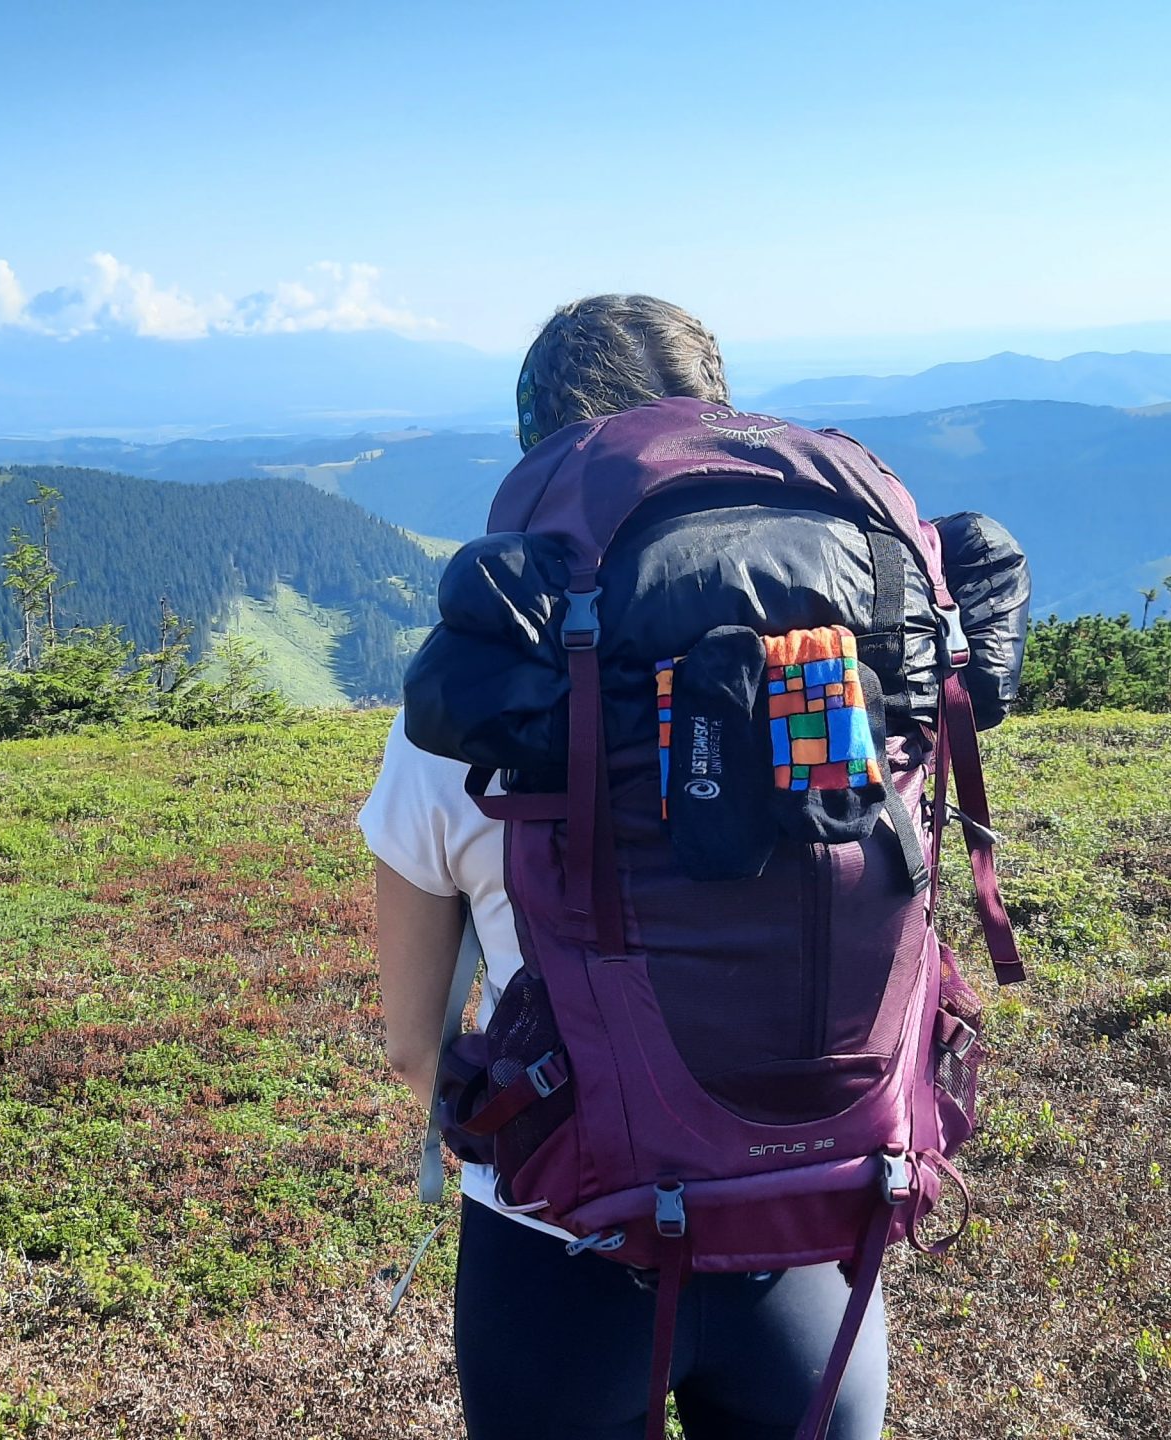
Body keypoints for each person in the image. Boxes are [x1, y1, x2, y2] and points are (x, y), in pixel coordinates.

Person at [361, 294, 889, 1439]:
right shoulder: (849, 664)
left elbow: (412, 1039)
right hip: (811, 1221)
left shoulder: (475, 699)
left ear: (545, 460)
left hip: (563, 1234)